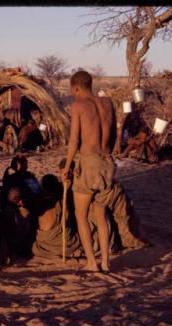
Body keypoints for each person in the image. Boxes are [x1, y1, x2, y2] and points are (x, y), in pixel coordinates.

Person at [61, 70, 117, 272]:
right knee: (101, 216)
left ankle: (92, 263)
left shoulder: (78, 106)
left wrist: (67, 167)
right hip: (107, 162)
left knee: (81, 215)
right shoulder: (108, 103)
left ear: (75, 87)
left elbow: (74, 140)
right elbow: (114, 137)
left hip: (89, 162)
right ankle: (105, 262)